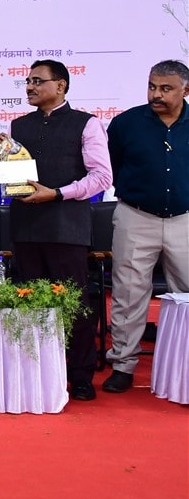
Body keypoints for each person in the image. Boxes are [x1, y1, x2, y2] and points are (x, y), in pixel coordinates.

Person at [0, 58, 112, 401]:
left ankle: (81, 376)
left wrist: (58, 193)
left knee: (73, 303)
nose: (30, 87)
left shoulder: (86, 124)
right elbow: (17, 180)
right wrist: (6, 155)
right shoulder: (19, 126)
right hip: (26, 228)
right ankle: (38, 375)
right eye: (28, 82)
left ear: (60, 86)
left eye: (37, 81)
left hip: (66, 228)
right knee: (32, 304)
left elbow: (101, 177)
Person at [102, 59, 189, 394]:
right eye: (152, 86)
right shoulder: (126, 124)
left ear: (185, 90)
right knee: (128, 293)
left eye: (166, 88)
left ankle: (183, 366)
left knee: (186, 295)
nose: (156, 94)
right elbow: (113, 165)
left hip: (185, 218)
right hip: (136, 217)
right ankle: (123, 364)